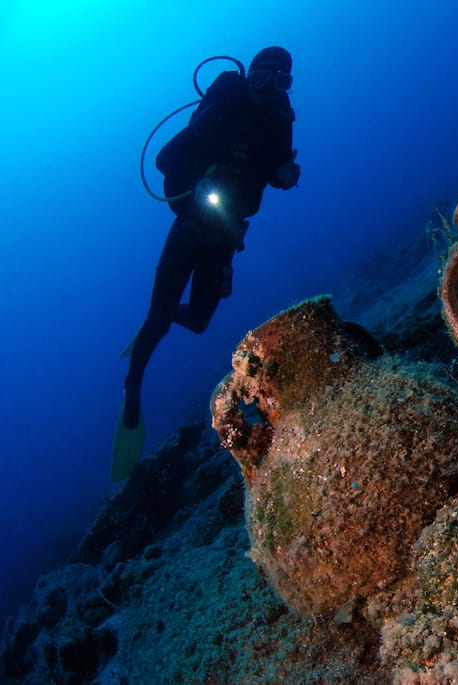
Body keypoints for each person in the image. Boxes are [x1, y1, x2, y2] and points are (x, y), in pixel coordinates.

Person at [113, 46, 301, 480]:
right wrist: (199, 177)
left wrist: (285, 178)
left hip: (226, 237)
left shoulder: (279, 120)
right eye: (261, 79)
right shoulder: (220, 111)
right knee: (158, 320)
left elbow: (275, 171)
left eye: (280, 82)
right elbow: (164, 160)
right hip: (189, 231)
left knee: (197, 321)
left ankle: (158, 316)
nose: (269, 90)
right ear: (248, 76)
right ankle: (132, 392)